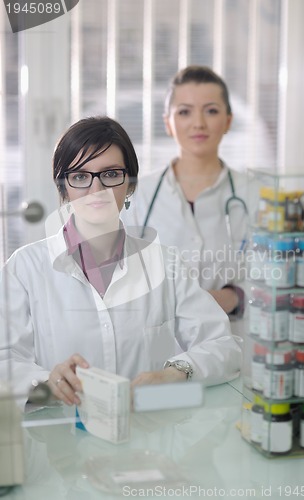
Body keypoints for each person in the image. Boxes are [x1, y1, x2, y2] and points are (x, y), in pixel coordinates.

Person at [0, 116, 241, 409]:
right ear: (63, 189)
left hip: (148, 439)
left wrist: (176, 374)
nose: (96, 189)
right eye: (80, 177)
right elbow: (5, 359)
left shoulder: (166, 264)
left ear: (130, 185)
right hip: (62, 441)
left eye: (111, 174)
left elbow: (223, 347)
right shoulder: (25, 269)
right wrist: (46, 381)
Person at [122, 65, 250, 319]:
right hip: (159, 344)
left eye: (211, 111)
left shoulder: (255, 194)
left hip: (231, 340)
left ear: (228, 121)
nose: (198, 123)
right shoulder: (138, 195)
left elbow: (274, 276)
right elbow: (122, 275)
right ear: (168, 123)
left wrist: (231, 297)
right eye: (184, 112)